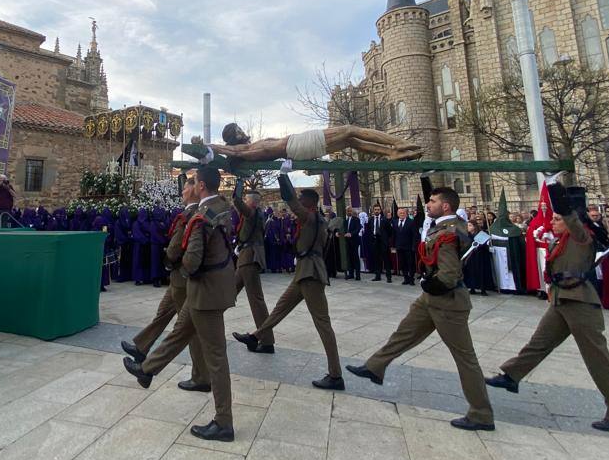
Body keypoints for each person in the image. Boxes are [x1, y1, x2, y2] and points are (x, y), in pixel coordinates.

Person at [486, 178, 609, 433]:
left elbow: (573, 218)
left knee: (597, 359)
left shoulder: (580, 238)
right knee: (539, 343)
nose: (551, 222)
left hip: (580, 303)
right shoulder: (559, 241)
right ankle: (511, 376)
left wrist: (553, 186)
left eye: (556, 219)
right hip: (561, 300)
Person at [347, 186, 495, 431]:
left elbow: (448, 274)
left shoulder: (449, 231)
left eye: (433, 201)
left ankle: (481, 413)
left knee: (465, 359)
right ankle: (375, 367)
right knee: (404, 333)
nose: (428, 204)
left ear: (445, 206)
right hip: (431, 298)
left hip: (447, 301)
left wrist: (432, 282)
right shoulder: (450, 223)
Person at [123, 166, 237, 442]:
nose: (192, 186)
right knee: (179, 332)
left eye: (194, 182)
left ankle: (224, 423)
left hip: (205, 292)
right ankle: (147, 370)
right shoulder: (223, 208)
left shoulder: (201, 217)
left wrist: (184, 269)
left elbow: (193, 258)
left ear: (201, 187)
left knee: (217, 358)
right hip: (211, 289)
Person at [233, 163, 345, 390]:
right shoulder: (315, 219)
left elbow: (291, 200)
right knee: (279, 309)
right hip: (304, 272)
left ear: (309, 204)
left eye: (302, 200)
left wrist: (284, 176)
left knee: (323, 324)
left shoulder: (312, 218)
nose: (298, 203)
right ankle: (257, 337)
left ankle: (336, 375)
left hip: (311, 274)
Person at [122, 175, 210, 388]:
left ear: (194, 190)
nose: (181, 192)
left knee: (187, 329)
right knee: (163, 313)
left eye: (185, 188)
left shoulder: (192, 214)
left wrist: (167, 259)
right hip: (177, 279)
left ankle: (201, 376)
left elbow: (176, 247)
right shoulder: (193, 212)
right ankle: (141, 347)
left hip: (182, 278)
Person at [211, 122, 423, 162]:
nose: (241, 131)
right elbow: (233, 152)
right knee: (350, 129)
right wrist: (209, 147)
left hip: (297, 146)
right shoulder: (244, 150)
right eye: (237, 130)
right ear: (232, 139)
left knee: (350, 140)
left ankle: (392, 153)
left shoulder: (253, 145)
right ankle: (399, 143)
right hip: (298, 145)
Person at [232, 179, 275, 352]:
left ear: (251, 202)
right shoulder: (257, 213)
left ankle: (266, 341)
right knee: (227, 294)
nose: (244, 202)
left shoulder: (251, 213)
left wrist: (239, 180)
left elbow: (235, 199)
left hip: (249, 259)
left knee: (256, 300)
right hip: (246, 258)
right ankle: (205, 325)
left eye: (246, 200)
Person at [463, 219, 495, 296]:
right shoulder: (467, 235)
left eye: (470, 225)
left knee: (481, 272)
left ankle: (483, 289)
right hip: (471, 257)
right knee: (471, 272)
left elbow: (485, 245)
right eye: (467, 225)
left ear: (474, 226)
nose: (468, 227)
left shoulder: (481, 234)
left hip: (480, 256)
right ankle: (472, 287)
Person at [367, 204, 393, 283]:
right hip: (375, 241)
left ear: (380, 210)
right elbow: (369, 229)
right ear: (373, 210)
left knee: (386, 259)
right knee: (376, 259)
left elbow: (390, 231)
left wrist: (386, 239)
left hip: (383, 242)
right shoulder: (371, 219)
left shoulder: (384, 219)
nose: (377, 211)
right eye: (375, 209)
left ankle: (389, 277)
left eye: (378, 209)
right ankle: (377, 276)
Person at [393, 207, 417, 285]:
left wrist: (413, 246)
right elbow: (394, 235)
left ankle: (411, 279)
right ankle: (406, 278)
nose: (402, 214)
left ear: (406, 214)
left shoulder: (411, 222)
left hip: (409, 247)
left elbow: (414, 235)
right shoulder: (395, 222)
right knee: (402, 263)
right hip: (399, 247)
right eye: (400, 213)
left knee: (410, 263)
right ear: (398, 214)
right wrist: (394, 246)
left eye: (403, 213)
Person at [343, 206, 362, 280]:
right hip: (348, 242)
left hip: (354, 241)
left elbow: (358, 228)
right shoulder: (346, 220)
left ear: (352, 212)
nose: (349, 212)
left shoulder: (356, 219)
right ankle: (351, 274)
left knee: (355, 258)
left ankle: (358, 275)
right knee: (349, 258)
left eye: (350, 211)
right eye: (347, 211)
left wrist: (351, 234)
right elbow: (344, 230)